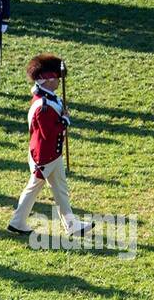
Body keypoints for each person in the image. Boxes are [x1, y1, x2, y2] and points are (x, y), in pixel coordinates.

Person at [8, 53, 93, 240]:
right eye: (55, 78)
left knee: (60, 189)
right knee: (34, 188)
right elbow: (48, 133)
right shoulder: (43, 105)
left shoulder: (50, 99)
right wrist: (65, 121)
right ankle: (17, 221)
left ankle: (71, 224)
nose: (58, 82)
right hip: (45, 155)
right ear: (45, 80)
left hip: (52, 155)